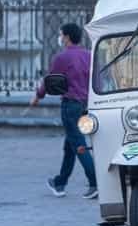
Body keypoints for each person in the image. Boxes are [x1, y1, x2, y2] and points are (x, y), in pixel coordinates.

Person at [32, 23, 98, 199]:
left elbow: (49, 81)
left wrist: (38, 96)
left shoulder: (62, 58)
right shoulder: (89, 55)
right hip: (86, 105)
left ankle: (95, 182)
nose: (60, 37)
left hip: (70, 105)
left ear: (67, 37)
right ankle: (60, 182)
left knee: (77, 143)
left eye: (61, 35)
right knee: (70, 145)